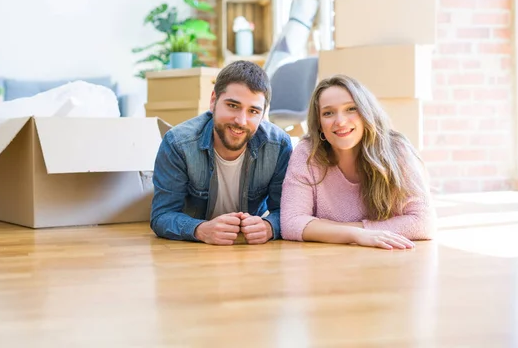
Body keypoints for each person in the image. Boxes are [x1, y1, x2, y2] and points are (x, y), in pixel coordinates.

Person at [280, 74, 436, 250]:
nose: (340, 121)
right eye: (328, 113)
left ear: (366, 113)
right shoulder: (307, 153)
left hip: (388, 261)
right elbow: (291, 223)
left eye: (351, 109)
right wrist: (358, 235)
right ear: (319, 124)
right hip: (325, 262)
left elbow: (423, 222)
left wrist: (328, 228)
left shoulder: (396, 149)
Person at [150, 60, 293, 245]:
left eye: (253, 111)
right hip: (194, 253)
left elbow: (288, 212)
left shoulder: (279, 145)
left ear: (263, 114)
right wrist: (200, 230)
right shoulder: (178, 143)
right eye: (233, 106)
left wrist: (269, 226)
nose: (241, 121)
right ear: (213, 101)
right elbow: (161, 215)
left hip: (248, 250)